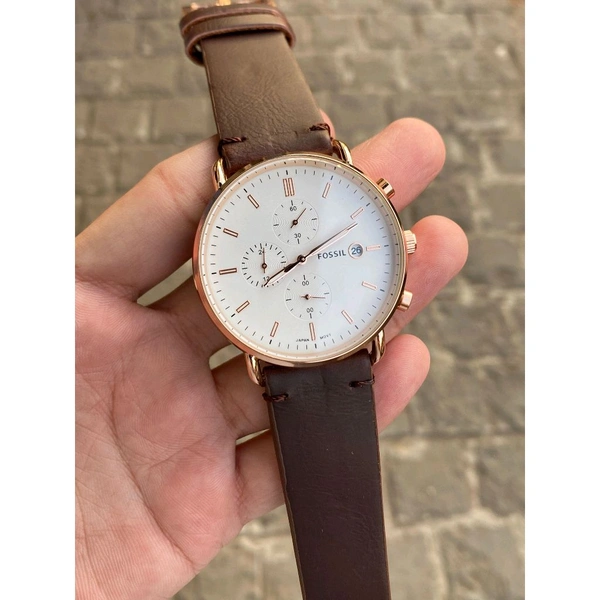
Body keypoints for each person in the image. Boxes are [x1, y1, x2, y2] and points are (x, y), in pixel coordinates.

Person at [76, 117, 469, 600]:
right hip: (284, 351)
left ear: (400, 245)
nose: (302, 260)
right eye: (297, 259)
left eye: (307, 256)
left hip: (338, 345)